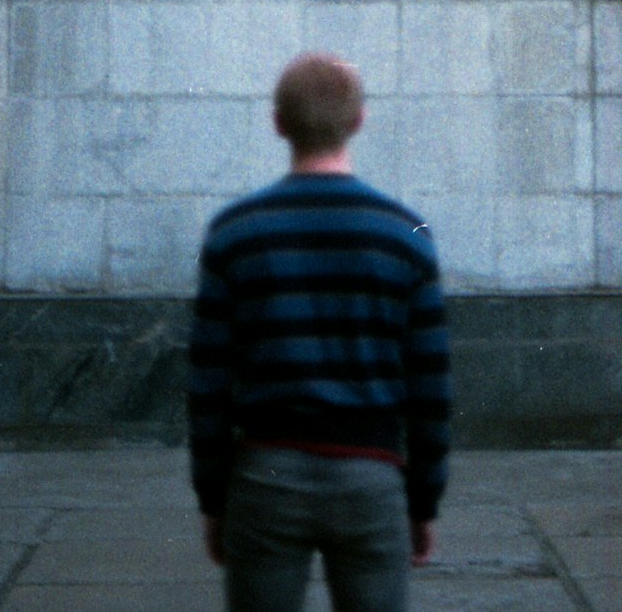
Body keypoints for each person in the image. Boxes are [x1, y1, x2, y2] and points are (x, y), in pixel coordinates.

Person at [188, 51, 451, 612]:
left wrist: (214, 499)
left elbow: (207, 385)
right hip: (371, 478)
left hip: (264, 475)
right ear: (358, 121)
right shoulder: (405, 233)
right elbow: (431, 387)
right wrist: (423, 504)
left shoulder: (234, 232)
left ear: (278, 123)